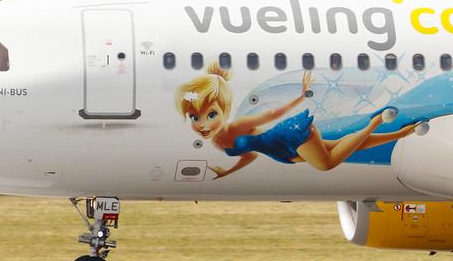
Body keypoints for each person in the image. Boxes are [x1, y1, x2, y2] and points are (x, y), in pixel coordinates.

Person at [177, 65, 412, 178]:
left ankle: (375, 122)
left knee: (326, 164)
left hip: (288, 137)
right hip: (284, 149)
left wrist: (300, 97)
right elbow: (249, 156)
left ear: (224, 110)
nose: (203, 124)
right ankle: (400, 134)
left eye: (211, 115)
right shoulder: (219, 141)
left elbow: (269, 116)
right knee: (343, 146)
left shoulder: (236, 126)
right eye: (195, 118)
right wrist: (226, 173)